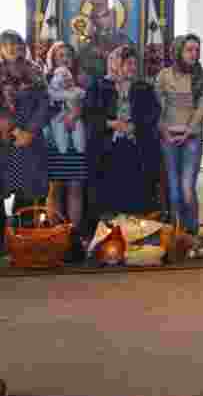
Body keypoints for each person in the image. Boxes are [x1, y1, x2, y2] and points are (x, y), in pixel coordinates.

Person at [85, 46, 162, 223]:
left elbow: (153, 114)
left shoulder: (143, 87)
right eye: (128, 63)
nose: (132, 67)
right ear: (116, 64)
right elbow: (89, 114)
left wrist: (135, 126)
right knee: (108, 198)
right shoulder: (99, 86)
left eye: (135, 63)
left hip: (137, 148)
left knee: (136, 197)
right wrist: (112, 123)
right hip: (106, 148)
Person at [155, 35, 203, 238]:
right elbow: (156, 109)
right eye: (189, 50)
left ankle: (192, 232)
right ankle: (177, 234)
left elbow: (202, 108)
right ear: (179, 51)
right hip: (168, 137)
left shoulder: (200, 76)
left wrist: (188, 131)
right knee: (174, 191)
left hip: (191, 138)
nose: (194, 54)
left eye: (196, 50)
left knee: (187, 189)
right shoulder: (163, 76)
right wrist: (165, 132)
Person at [0, 31, 50, 251]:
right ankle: (3, 245)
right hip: (4, 139)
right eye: (7, 45)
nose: (12, 48)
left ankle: (26, 244)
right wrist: (12, 130)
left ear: (23, 47)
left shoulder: (35, 71)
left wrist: (29, 132)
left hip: (30, 141)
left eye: (16, 44)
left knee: (29, 194)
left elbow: (44, 105)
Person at [43, 42, 88, 252]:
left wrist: (76, 112)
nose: (65, 59)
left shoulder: (82, 80)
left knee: (75, 187)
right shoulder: (45, 80)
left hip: (75, 142)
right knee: (55, 188)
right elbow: (43, 107)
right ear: (53, 58)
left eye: (68, 55)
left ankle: (74, 236)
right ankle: (55, 235)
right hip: (55, 139)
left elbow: (90, 105)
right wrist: (61, 115)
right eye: (60, 55)